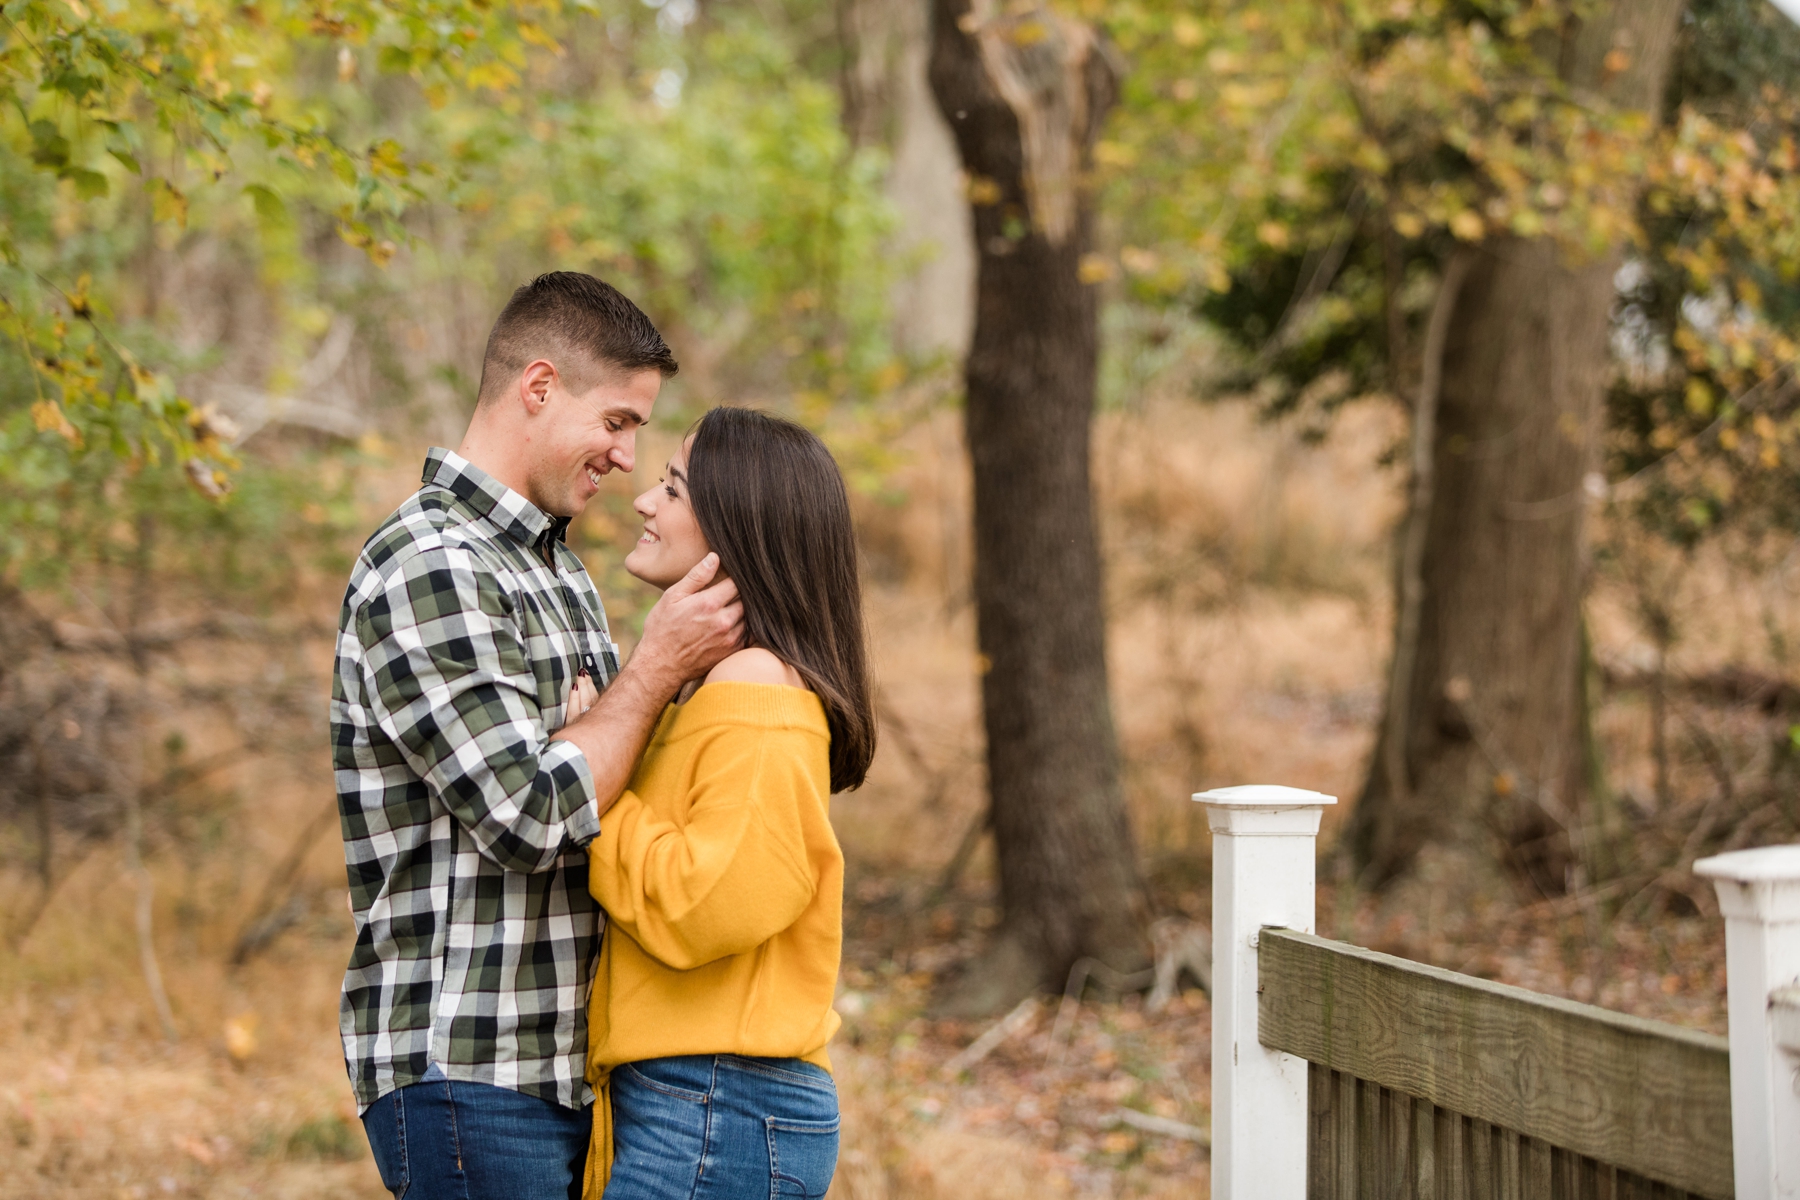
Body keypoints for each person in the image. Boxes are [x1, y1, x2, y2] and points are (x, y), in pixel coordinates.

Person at [331, 272, 743, 1200]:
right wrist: (648, 674)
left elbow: (605, 778)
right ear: (540, 386)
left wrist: (600, 728)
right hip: (471, 1070)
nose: (627, 459)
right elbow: (532, 812)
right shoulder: (431, 563)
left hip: (566, 1067)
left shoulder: (556, 573)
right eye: (619, 422)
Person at [568, 406, 875, 1200]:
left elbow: (709, 905)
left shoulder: (759, 687)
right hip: (698, 1099)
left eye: (673, 487)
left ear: (737, 528)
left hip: (718, 1101)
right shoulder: (723, 688)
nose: (644, 500)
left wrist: (596, 795)